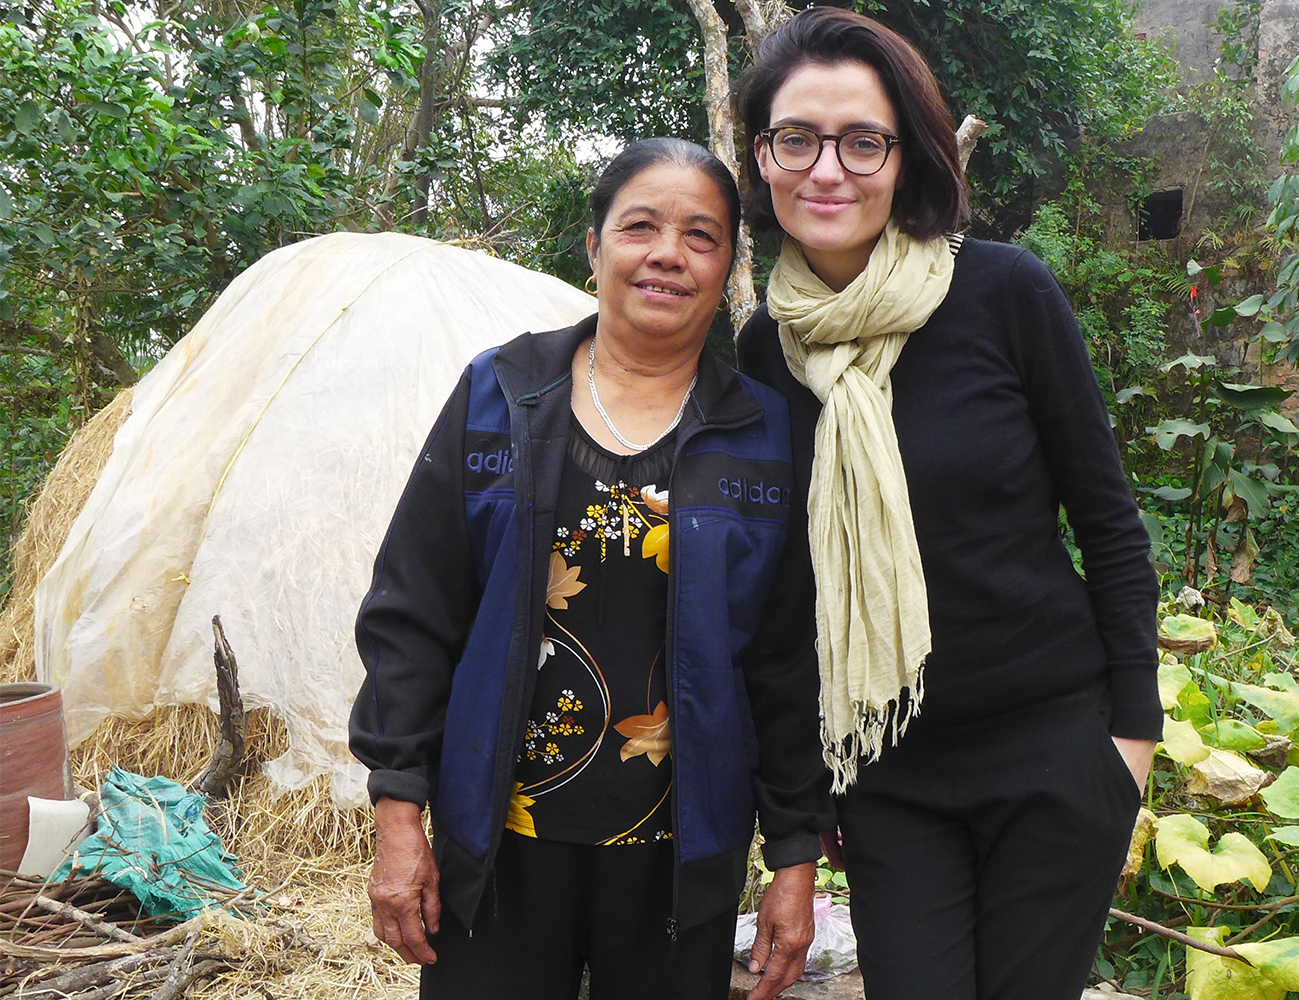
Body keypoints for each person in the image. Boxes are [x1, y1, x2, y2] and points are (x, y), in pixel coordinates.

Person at [733, 10, 1162, 1000]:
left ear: (907, 156)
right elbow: (785, 596)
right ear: (762, 157)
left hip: (1051, 752)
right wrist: (806, 794)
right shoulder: (766, 352)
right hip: (888, 776)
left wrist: (1127, 750)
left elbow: (1109, 526)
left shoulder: (1004, 293)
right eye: (797, 138)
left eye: (861, 140)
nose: (826, 169)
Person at [349, 137, 832, 1000]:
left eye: (701, 236)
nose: (667, 255)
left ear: (727, 266)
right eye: (640, 226)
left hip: (682, 857)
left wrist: (794, 854)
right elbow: (412, 611)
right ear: (595, 246)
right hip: (498, 841)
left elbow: (786, 658)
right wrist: (398, 812)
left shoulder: (762, 430)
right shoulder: (501, 394)